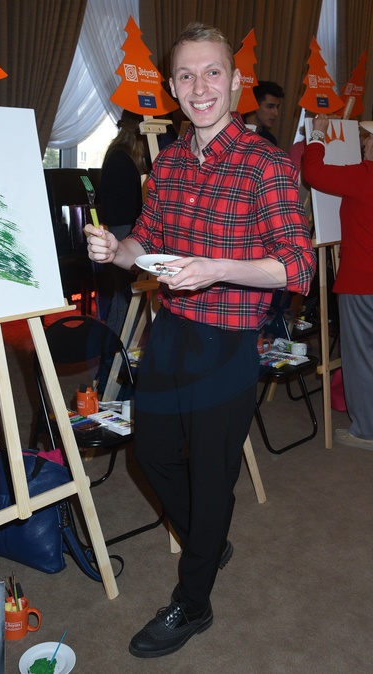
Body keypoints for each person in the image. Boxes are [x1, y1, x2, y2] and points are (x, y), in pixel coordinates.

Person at [86, 22, 316, 658]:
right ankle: (209, 540)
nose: (200, 86)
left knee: (211, 473)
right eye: (186, 75)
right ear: (171, 86)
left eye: (213, 72)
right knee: (151, 452)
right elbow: (147, 241)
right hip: (171, 330)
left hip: (229, 340)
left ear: (236, 82)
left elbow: (298, 265)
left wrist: (217, 268)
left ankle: (194, 601)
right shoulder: (168, 162)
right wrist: (116, 249)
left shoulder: (266, 163)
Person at [302, 110, 373, 451]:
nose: (364, 142)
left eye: (370, 138)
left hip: (365, 280)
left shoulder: (367, 175)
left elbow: (313, 172)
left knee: (360, 356)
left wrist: (317, 136)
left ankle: (366, 431)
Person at [97, 109, 149, 334]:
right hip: (124, 231)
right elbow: (121, 205)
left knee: (128, 301)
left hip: (128, 228)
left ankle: (118, 350)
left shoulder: (123, 155)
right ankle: (113, 353)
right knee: (124, 302)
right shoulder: (122, 158)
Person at [243, 80, 285, 146]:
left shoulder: (270, 140)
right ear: (254, 105)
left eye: (277, 107)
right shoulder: (233, 128)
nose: (276, 113)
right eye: (270, 106)